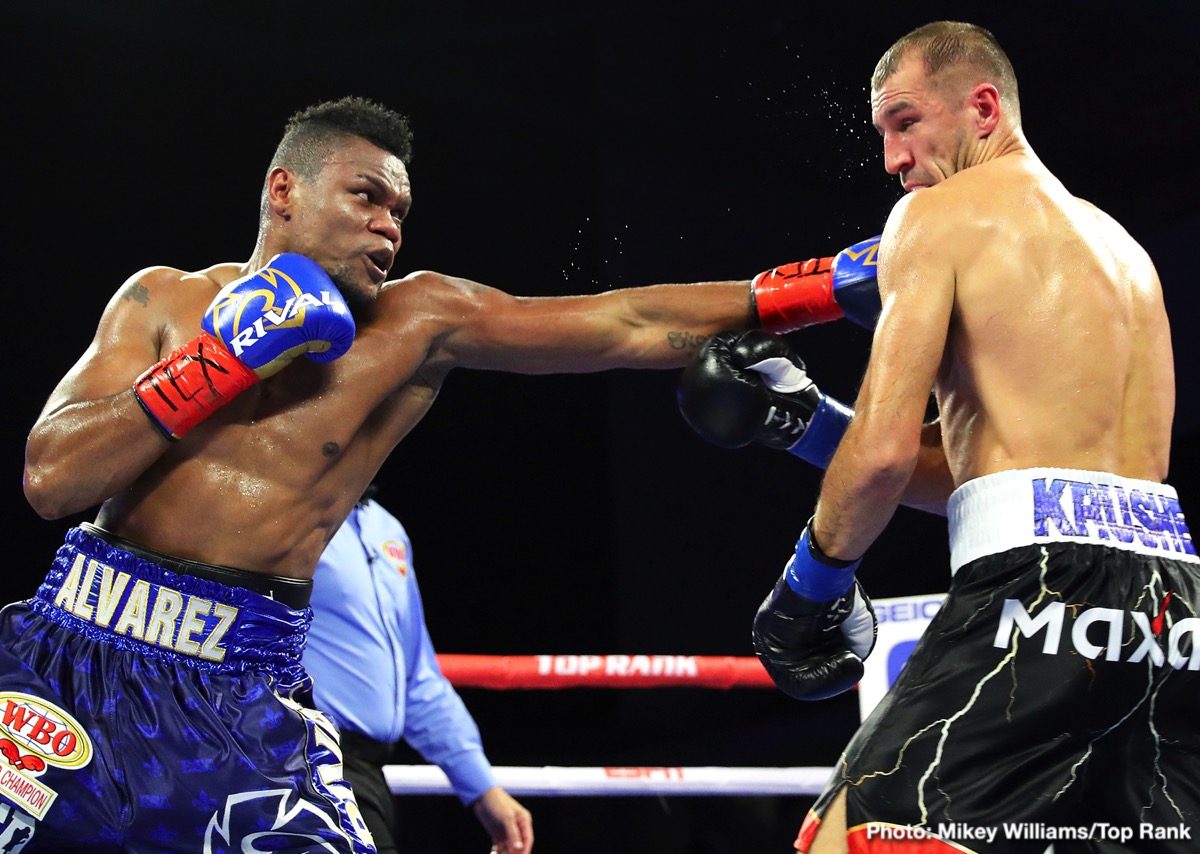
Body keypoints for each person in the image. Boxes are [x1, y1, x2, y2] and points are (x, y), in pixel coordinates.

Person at [6, 94, 873, 850]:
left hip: (240, 689)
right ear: (284, 191)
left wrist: (825, 288)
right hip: (76, 657)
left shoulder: (416, 324)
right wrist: (217, 363)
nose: (388, 225)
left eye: (400, 210)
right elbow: (52, 480)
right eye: (365, 197)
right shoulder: (161, 300)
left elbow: (625, 321)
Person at [679, 21, 1199, 854]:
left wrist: (808, 585)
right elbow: (1000, 473)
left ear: (982, 107)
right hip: (1169, 606)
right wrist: (807, 423)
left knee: (855, 836)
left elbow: (885, 453)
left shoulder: (934, 216)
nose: (892, 158)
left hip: (1038, 592)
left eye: (904, 121)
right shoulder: (1123, 250)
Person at [305, 490, 533, 853]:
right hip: (303, 761)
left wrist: (481, 786)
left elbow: (418, 678)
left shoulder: (386, 528)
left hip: (365, 774)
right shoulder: (289, 516)